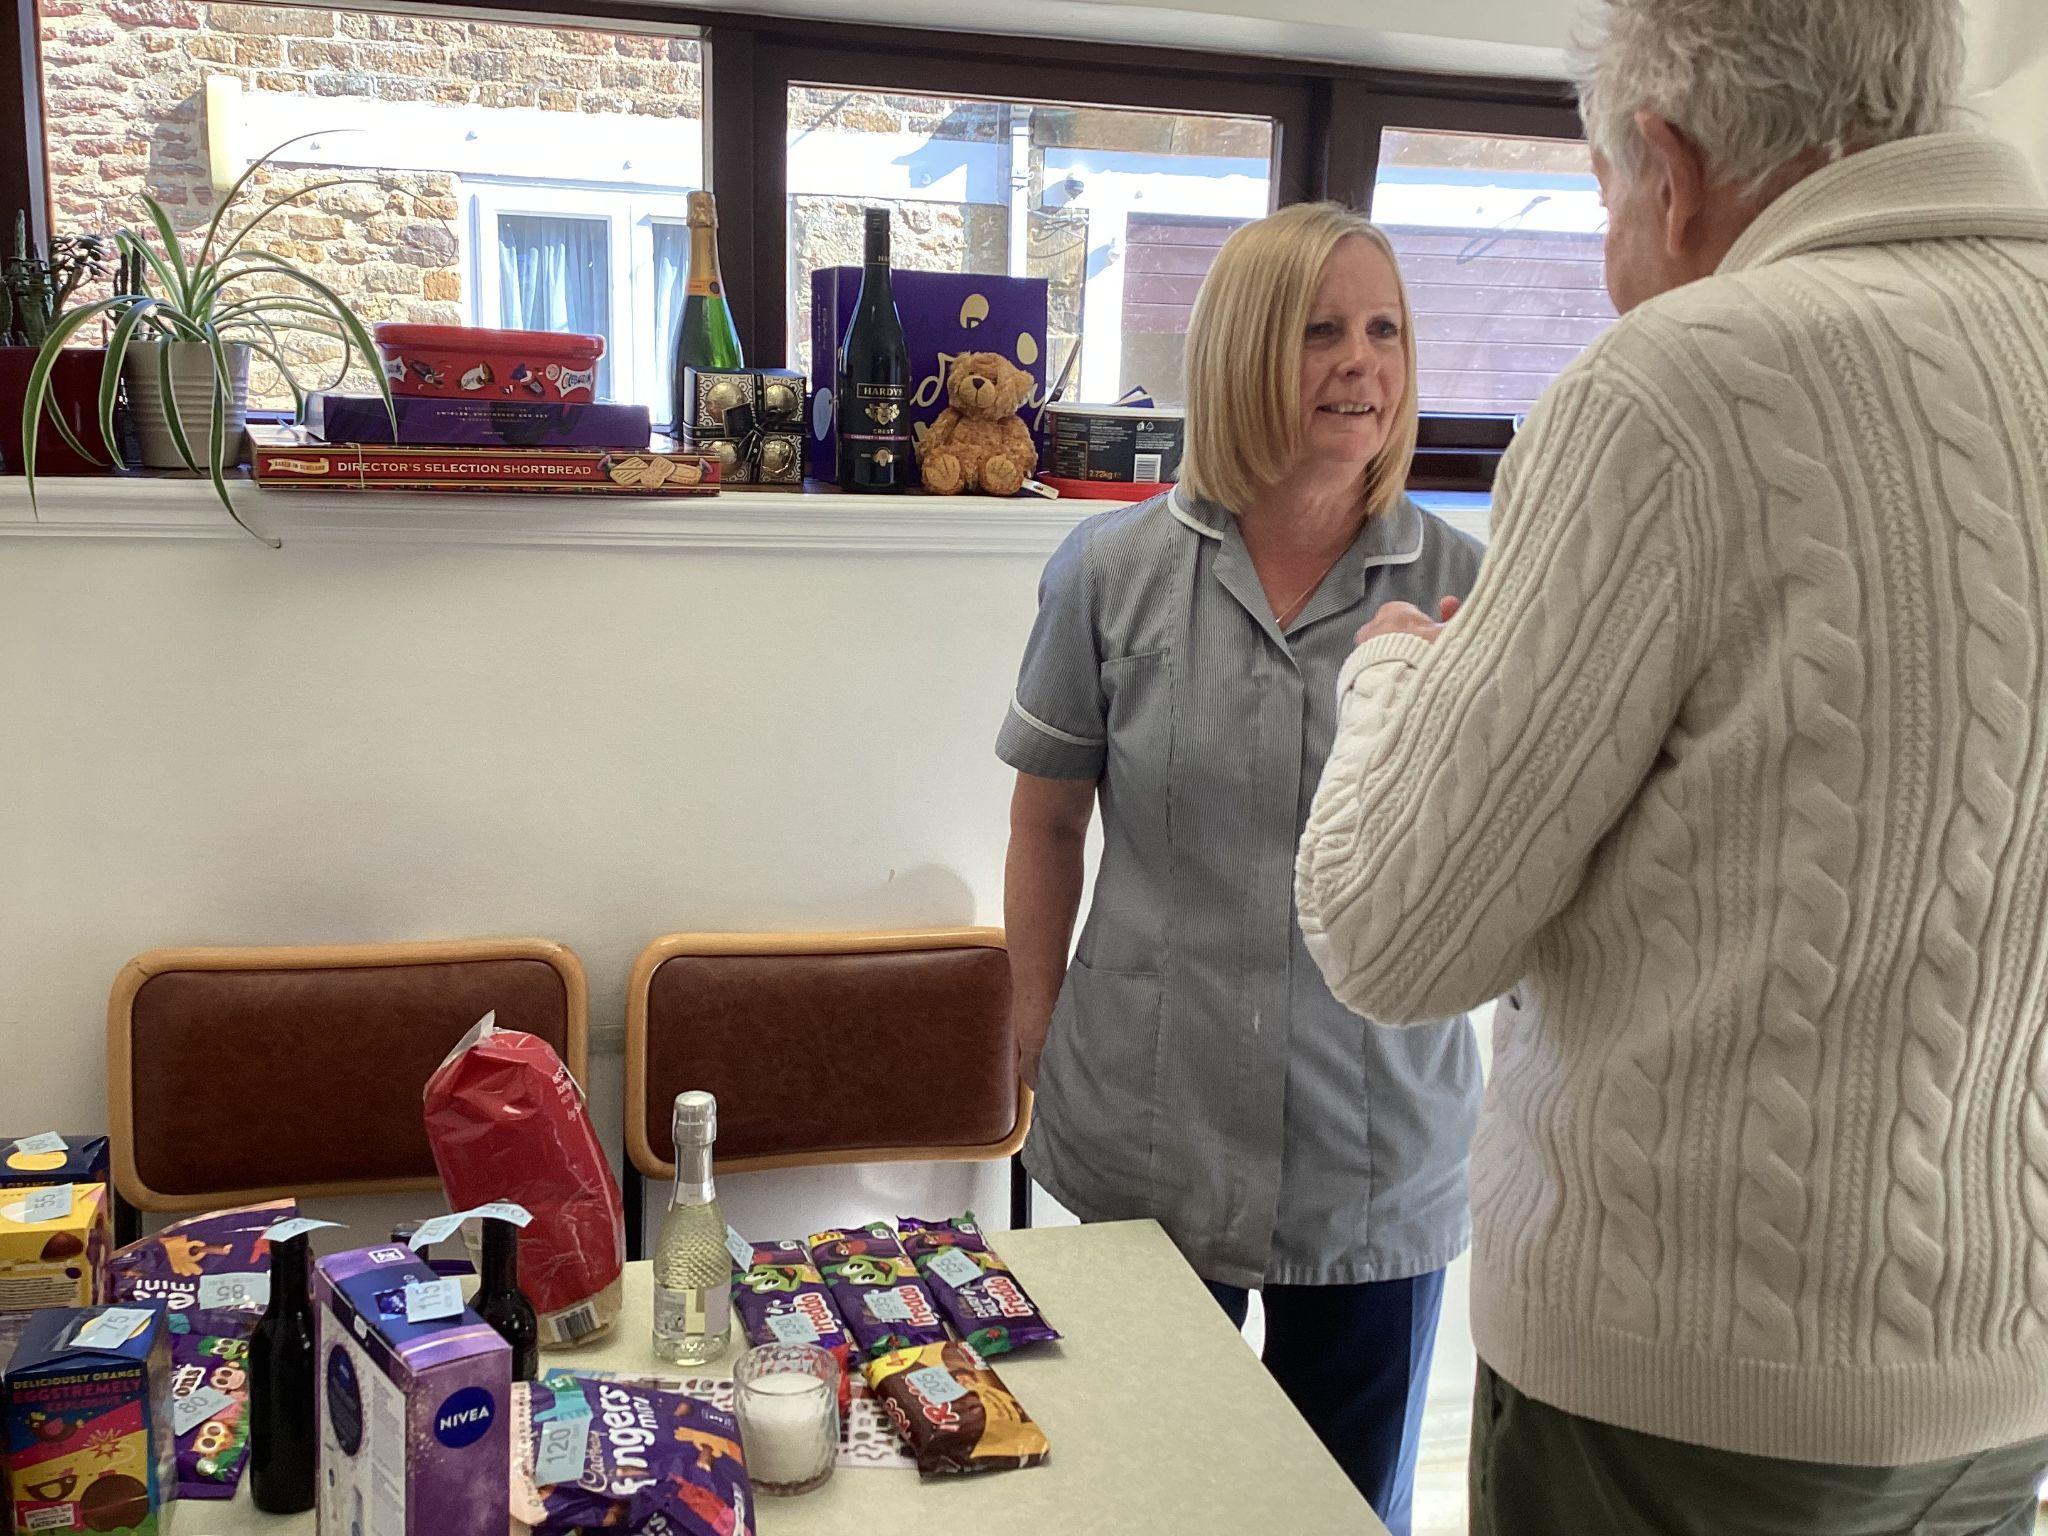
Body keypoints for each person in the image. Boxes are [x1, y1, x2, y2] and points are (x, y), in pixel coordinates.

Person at [1294, 1, 2048, 1531]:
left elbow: (1391, 935)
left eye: (1602, 198)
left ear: (1670, 164)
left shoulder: (1679, 384)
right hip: (2003, 1377)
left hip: (1683, 1392)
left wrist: (1390, 677)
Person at [997, 201, 1480, 1535]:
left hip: (1373, 1142)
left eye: (1384, 330)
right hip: (1147, 1123)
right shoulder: (1113, 573)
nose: (1362, 363)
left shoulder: (1468, 588)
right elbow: (1047, 824)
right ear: (1243, 352)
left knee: (1339, 1511)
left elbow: (1503, 858)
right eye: (1321, 330)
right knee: (1139, 1500)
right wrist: (1031, 1030)